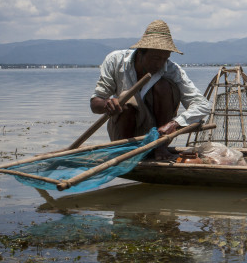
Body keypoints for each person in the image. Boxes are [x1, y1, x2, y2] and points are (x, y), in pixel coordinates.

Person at [90, 19, 210, 160]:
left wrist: (174, 124)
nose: (159, 64)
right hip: (125, 134)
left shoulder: (172, 70)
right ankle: (127, 154)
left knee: (163, 85)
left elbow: (203, 105)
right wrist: (107, 104)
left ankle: (160, 149)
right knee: (127, 97)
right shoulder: (115, 61)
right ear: (140, 52)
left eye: (164, 58)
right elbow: (95, 104)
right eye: (155, 58)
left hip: (159, 134)